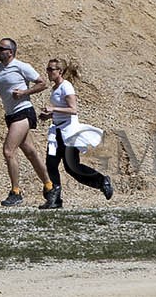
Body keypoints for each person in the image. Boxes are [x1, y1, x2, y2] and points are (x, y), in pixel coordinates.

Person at [36, 58, 113, 209]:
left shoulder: (66, 87)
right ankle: (54, 199)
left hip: (69, 132)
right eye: (48, 69)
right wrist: (49, 116)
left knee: (72, 167)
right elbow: (62, 110)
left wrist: (53, 109)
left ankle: (102, 181)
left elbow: (73, 109)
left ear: (60, 72)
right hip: (57, 131)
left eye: (51, 69)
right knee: (50, 165)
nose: (48, 72)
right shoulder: (56, 88)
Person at [0, 37, 52, 206]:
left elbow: (42, 83)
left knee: (8, 151)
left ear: (10, 52)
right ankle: (50, 186)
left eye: (1, 48)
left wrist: (24, 92)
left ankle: (16, 192)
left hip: (24, 111)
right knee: (30, 152)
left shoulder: (21, 66)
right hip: (10, 115)